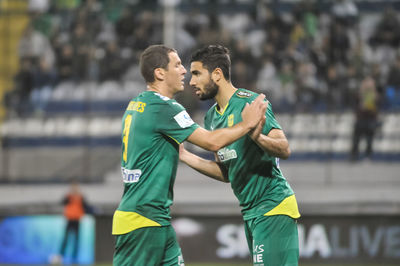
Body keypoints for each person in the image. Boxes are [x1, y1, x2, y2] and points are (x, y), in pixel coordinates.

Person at [112, 44, 267, 266]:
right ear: (159, 73)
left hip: (155, 219)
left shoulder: (138, 103)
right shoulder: (164, 107)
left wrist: (185, 156)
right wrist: (248, 124)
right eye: (176, 65)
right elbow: (212, 142)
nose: (184, 70)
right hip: (142, 220)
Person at [179, 44, 301, 266]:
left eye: (196, 73)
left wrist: (257, 137)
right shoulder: (210, 119)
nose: (191, 81)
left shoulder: (249, 102)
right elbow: (226, 173)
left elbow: (284, 148)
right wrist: (186, 157)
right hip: (252, 212)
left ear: (217, 74)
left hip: (273, 207)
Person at [55, 180, 90, 264]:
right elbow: (62, 202)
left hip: (77, 220)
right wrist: (69, 197)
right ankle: (60, 256)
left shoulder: (81, 197)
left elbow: (86, 206)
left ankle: (74, 258)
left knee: (76, 240)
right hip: (69, 219)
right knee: (66, 239)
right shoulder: (68, 197)